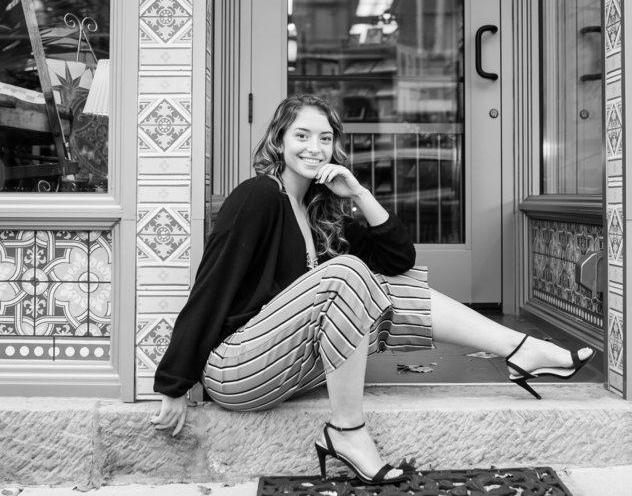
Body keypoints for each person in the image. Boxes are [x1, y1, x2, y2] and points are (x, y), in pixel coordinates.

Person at [150, 94, 595, 485]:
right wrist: (174, 385)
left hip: (283, 364)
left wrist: (359, 193)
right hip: (236, 368)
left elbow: (399, 261)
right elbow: (212, 284)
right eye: (302, 135)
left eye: (325, 139)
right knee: (348, 273)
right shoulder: (258, 196)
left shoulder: (322, 214)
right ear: (279, 141)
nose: (314, 147)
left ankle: (520, 351)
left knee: (379, 284)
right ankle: (346, 433)